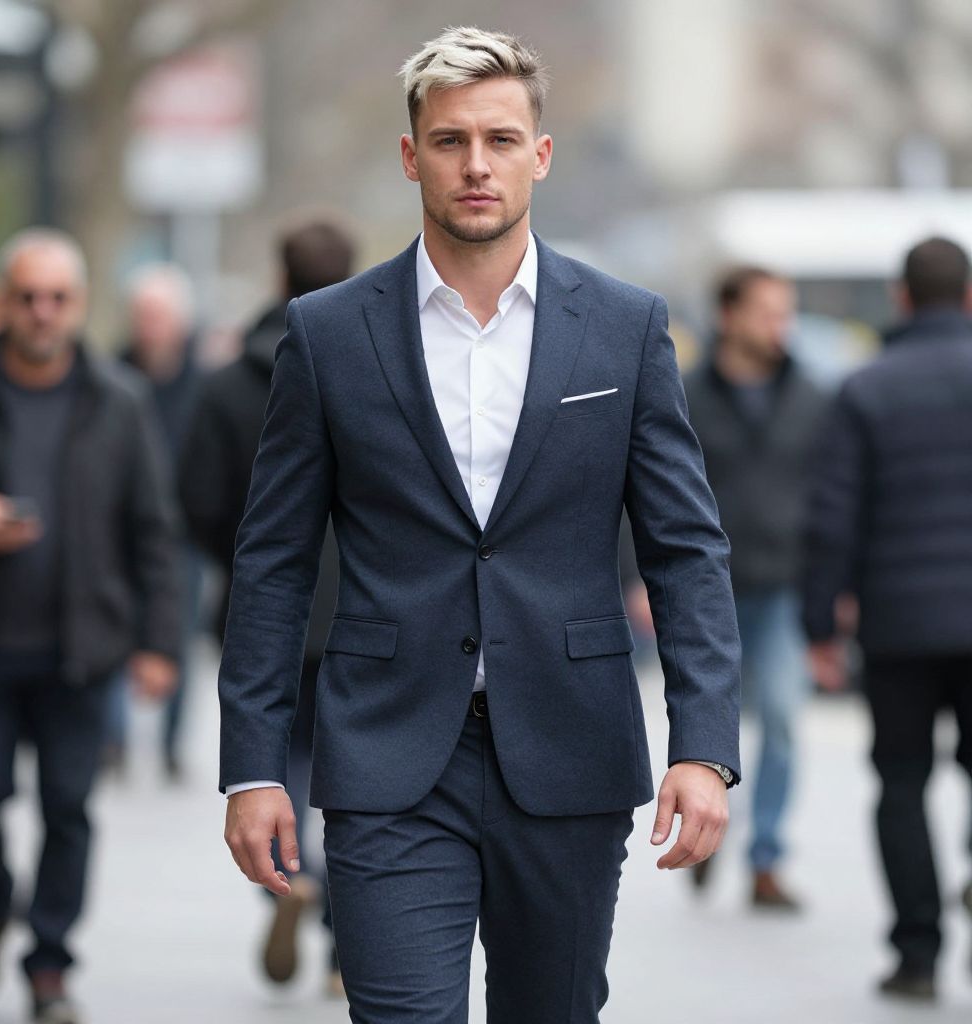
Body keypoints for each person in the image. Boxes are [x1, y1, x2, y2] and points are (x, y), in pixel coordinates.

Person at [219, 27, 742, 1023]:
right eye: (450, 140)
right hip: (387, 754)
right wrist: (252, 765)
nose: (475, 164)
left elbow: (684, 547)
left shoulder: (624, 326)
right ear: (411, 156)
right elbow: (274, 561)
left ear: (539, 155)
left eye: (501, 139)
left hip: (570, 744)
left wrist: (703, 744)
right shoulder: (328, 334)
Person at [0, 228, 182, 1024]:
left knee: (68, 809)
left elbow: (153, 530)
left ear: (80, 306)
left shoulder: (118, 401)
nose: (42, 313)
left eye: (58, 298)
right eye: (27, 297)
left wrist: (158, 642)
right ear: (5, 302)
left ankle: (49, 966)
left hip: (79, 650)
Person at [179, 217, 355, 992]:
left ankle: (293, 873)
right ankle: (350, 938)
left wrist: (251, 571)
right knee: (356, 778)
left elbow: (198, 499)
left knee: (273, 769)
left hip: (266, 612)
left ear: (279, 277)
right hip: (362, 610)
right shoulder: (376, 364)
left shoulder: (227, 384)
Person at [804, 236, 972, 1001]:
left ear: (902, 299)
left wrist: (818, 626)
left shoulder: (866, 388)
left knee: (901, 782)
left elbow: (834, 518)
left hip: (900, 625)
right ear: (968, 297)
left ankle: (916, 952)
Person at [682, 267, 826, 909]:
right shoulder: (686, 394)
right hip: (707, 588)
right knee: (716, 718)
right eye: (767, 312)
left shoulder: (811, 397)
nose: (780, 326)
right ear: (729, 316)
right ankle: (710, 829)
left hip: (786, 583)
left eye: (785, 313)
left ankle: (765, 858)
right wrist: (634, 579)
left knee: (786, 720)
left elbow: (832, 497)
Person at [115, 263, 202, 779]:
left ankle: (170, 742)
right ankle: (113, 740)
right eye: (143, 315)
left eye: (160, 315)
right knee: (108, 632)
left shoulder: (202, 381)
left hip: (182, 531)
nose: (151, 326)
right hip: (117, 528)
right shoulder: (112, 376)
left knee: (178, 635)